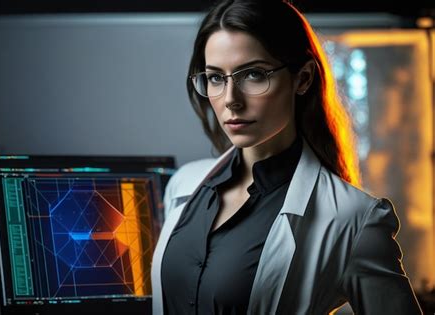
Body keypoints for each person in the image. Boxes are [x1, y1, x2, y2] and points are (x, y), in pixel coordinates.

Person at [151, 0, 422, 314]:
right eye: (215, 78)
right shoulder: (183, 185)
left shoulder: (355, 219)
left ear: (303, 78)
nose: (230, 101)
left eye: (252, 74)